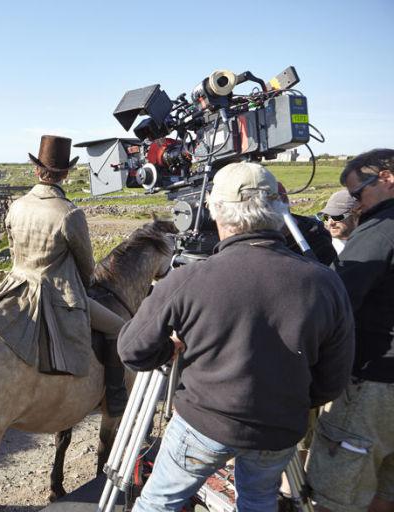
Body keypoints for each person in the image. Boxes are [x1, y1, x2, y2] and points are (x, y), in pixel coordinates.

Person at [118, 161, 355, 512]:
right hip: (279, 429)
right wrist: (288, 401)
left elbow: (132, 350)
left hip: (203, 424)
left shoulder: (188, 280)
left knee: (158, 503)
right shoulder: (325, 282)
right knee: (259, 501)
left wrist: (168, 350)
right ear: (279, 210)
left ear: (215, 211)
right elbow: (332, 380)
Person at [0, 135, 128, 415]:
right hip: (55, 294)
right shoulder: (70, 214)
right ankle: (115, 400)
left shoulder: (17, 206)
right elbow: (87, 265)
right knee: (118, 327)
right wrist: (83, 290)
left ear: (37, 170)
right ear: (66, 174)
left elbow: (13, 251)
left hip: (14, 287)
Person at [307, 148, 394, 512]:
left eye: (358, 194)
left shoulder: (381, 229)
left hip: (372, 383)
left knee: (335, 493)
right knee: (383, 487)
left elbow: (338, 301)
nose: (356, 205)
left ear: (387, 178)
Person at [317, 189, 360, 255]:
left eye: (337, 217)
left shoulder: (374, 243)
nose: (330, 223)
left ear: (356, 215)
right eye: (325, 217)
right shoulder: (320, 247)